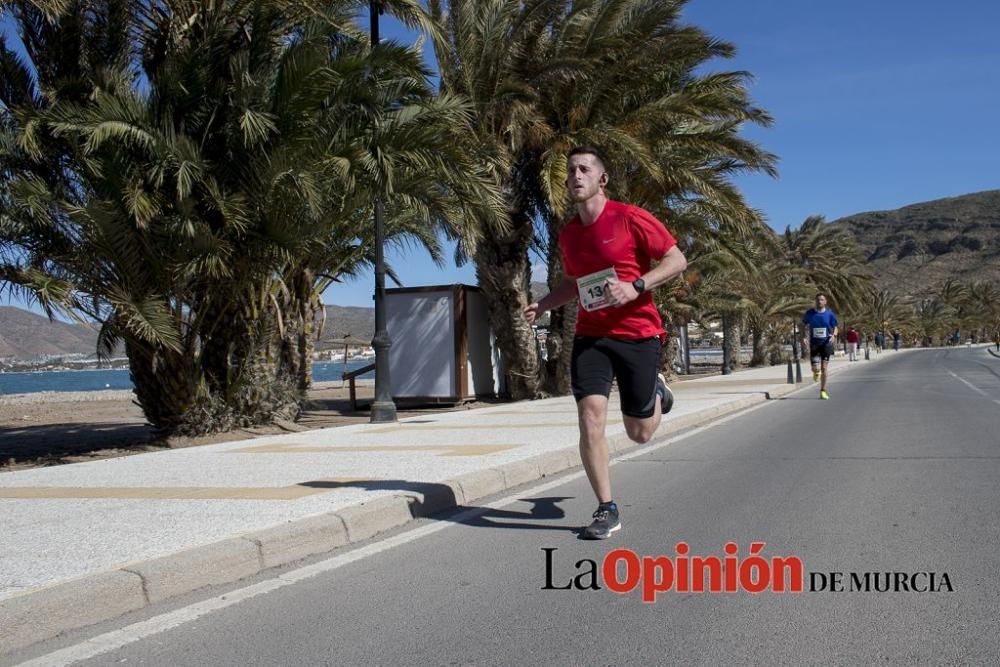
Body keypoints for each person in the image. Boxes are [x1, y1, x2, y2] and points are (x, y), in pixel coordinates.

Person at [524, 145, 687, 540]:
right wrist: (544, 303)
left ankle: (656, 392)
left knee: (639, 432)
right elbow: (574, 284)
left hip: (638, 332)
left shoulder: (630, 218)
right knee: (590, 418)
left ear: (602, 179)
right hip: (592, 336)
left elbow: (676, 260)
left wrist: (636, 286)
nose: (575, 176)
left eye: (583, 169)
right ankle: (606, 508)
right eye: (570, 172)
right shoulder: (569, 235)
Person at [801, 293, 838, 400]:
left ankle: (823, 391)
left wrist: (834, 335)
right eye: (818, 300)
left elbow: (835, 326)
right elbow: (803, 325)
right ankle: (816, 372)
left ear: (825, 302)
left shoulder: (829, 314)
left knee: (824, 367)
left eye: (822, 300)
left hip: (826, 343)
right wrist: (803, 336)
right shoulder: (810, 313)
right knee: (816, 368)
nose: (819, 301)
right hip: (814, 344)